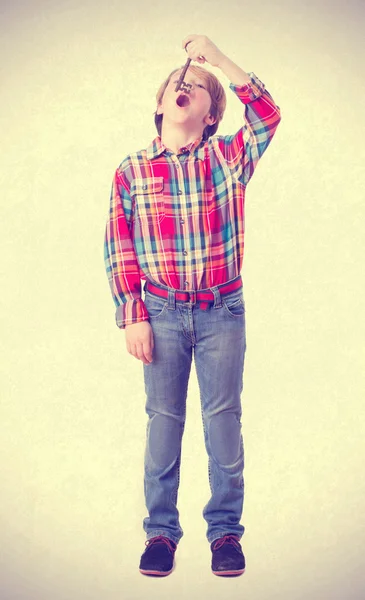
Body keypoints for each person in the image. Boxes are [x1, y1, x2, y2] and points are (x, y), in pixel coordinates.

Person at [104, 34, 281, 577]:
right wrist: (133, 315)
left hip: (221, 310)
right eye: (181, 83)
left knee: (222, 419)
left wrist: (217, 61)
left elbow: (268, 115)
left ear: (209, 115)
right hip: (159, 312)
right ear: (161, 104)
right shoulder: (131, 170)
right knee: (164, 421)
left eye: (201, 88)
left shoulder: (228, 157)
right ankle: (161, 533)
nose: (188, 85)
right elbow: (120, 245)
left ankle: (226, 532)